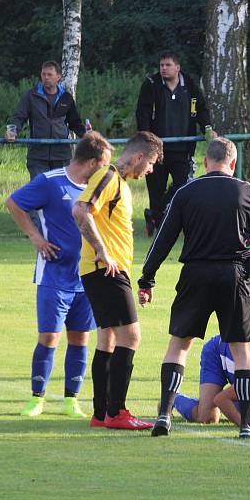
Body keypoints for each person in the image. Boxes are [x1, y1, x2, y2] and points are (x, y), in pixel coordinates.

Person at [138, 137, 250, 439]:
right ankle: (246, 425)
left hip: (195, 274)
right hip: (235, 276)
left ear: (206, 162)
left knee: (178, 346)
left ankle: (164, 416)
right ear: (232, 164)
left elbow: (163, 239)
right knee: (242, 351)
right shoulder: (246, 191)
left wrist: (147, 279)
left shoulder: (186, 192)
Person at [6, 132, 111, 418]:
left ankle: (70, 401)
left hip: (87, 275)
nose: (106, 172)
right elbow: (14, 203)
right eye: (103, 165)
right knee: (50, 337)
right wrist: (35, 237)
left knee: (80, 339)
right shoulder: (50, 182)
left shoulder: (99, 188)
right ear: (91, 162)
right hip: (54, 275)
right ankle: (37, 398)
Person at [72, 131, 163, 430]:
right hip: (107, 270)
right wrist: (102, 251)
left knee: (108, 338)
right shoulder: (108, 177)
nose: (150, 170)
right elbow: (80, 210)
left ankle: (101, 414)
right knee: (131, 336)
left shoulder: (118, 183)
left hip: (105, 269)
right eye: (150, 163)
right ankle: (117, 411)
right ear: (138, 157)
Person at [135, 50, 213, 236]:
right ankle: (160, 225)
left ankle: (155, 214)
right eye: (161, 65)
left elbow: (201, 109)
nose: (163, 68)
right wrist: (146, 139)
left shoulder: (190, 85)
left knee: (182, 186)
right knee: (156, 190)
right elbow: (142, 113)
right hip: (156, 152)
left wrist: (208, 127)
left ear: (177, 67)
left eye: (168, 65)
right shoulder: (151, 84)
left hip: (183, 149)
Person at [6, 60, 87, 180]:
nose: (46, 78)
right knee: (40, 192)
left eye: (50, 75)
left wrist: (88, 136)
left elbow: (75, 123)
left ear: (58, 77)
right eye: (43, 74)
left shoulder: (66, 98)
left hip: (61, 155)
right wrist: (13, 131)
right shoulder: (31, 96)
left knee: (60, 193)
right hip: (38, 155)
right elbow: (19, 117)